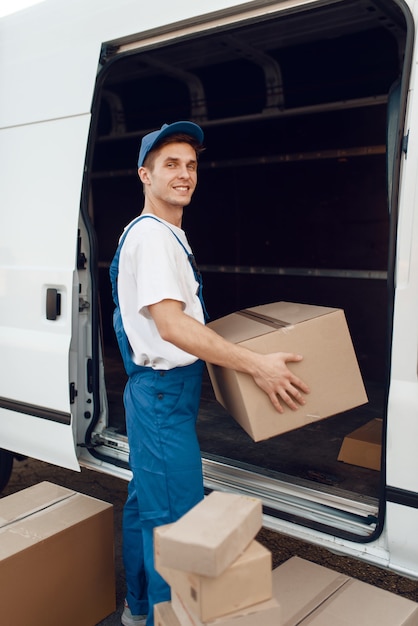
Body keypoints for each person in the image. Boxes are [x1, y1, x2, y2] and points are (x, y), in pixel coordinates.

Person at [110, 121, 310, 626]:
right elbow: (173, 325)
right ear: (145, 175)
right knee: (176, 520)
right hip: (160, 397)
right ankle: (163, 618)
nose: (185, 175)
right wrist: (255, 364)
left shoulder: (159, 233)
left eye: (191, 165)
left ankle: (139, 611)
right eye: (171, 165)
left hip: (157, 395)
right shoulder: (153, 238)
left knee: (146, 505)